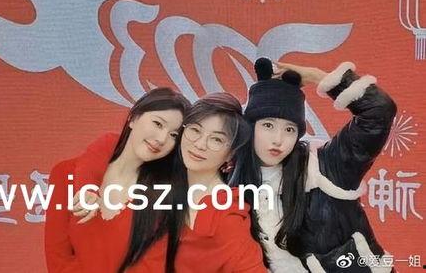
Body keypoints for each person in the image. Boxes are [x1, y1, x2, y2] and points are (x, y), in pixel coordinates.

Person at [231, 58, 397, 272]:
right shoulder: (231, 183)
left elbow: (379, 111)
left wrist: (318, 77)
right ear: (250, 127)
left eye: (289, 129)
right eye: (268, 125)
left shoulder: (324, 169)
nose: (278, 140)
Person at [44, 87, 190, 273]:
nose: (162, 139)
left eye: (174, 135)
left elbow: (154, 266)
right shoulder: (65, 174)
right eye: (158, 123)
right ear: (133, 118)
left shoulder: (165, 195)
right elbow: (57, 258)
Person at [119, 93, 265, 272]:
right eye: (195, 130)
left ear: (230, 154)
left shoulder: (224, 212)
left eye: (217, 139)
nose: (200, 144)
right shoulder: (159, 178)